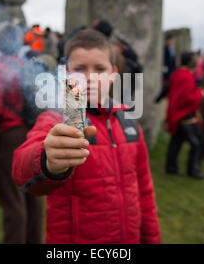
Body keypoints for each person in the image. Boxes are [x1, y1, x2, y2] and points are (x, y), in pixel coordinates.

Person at [13, 29, 161, 244]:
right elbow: (21, 167)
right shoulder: (56, 118)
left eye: (100, 69)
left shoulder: (127, 121)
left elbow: (145, 191)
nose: (90, 77)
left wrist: (152, 239)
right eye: (80, 69)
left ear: (113, 74)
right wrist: (47, 159)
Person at [0, 22, 43, 244]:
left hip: (10, 138)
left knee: (13, 201)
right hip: (32, 133)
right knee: (33, 196)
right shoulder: (26, 65)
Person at [165, 51, 204, 179]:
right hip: (184, 115)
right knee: (197, 143)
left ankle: (171, 167)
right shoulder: (186, 76)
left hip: (177, 113)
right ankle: (193, 169)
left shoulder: (177, 74)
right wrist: (200, 93)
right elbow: (187, 98)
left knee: (176, 141)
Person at [155, 34, 176, 102]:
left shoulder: (172, 49)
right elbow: (165, 59)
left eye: (173, 41)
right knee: (166, 84)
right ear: (167, 41)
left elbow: (173, 61)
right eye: (171, 40)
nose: (172, 42)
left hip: (171, 71)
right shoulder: (165, 48)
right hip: (166, 71)